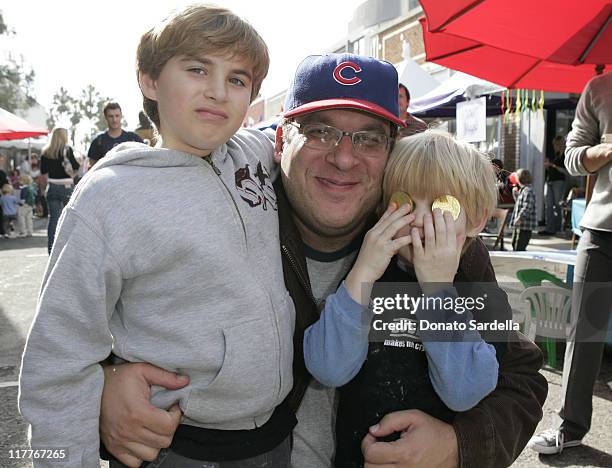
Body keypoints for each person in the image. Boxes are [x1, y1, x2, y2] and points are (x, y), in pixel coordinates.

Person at [99, 53, 548, 468]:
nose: (344, 156)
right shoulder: (229, 219)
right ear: (279, 140)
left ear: (392, 151)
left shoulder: (442, 249)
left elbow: (521, 376)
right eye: (320, 131)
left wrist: (456, 445)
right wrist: (106, 383)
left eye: (368, 138)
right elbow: (89, 327)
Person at [19, 6, 297, 468]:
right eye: (196, 69)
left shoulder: (253, 152)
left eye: (237, 79)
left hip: (273, 438)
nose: (216, 91)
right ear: (150, 80)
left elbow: (308, 144)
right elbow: (59, 356)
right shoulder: (110, 198)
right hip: (175, 445)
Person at [303, 131, 511, 466]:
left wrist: (438, 292)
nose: (417, 220)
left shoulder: (480, 293)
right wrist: (361, 276)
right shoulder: (368, 275)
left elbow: (464, 393)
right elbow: (328, 369)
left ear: (476, 220)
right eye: (405, 202)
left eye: (443, 206)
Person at [528, 72, 612, 455]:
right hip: (602, 228)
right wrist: (607, 150)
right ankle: (571, 425)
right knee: (585, 329)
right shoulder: (599, 88)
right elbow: (573, 158)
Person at [39, 127, 80, 253]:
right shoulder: (67, 150)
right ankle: (67, 250)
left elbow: (43, 171)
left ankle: (51, 250)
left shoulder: (46, 152)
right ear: (64, 136)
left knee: (53, 218)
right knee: (69, 219)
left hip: (51, 187)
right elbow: (76, 166)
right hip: (66, 187)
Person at [87, 102, 143, 166]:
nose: (114, 120)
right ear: (105, 117)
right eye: (111, 116)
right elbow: (92, 168)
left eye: (117, 116)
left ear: (121, 115)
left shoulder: (133, 139)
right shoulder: (98, 142)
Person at [541, 135, 567, 235]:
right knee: (548, 205)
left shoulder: (565, 155)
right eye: (554, 144)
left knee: (557, 205)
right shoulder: (555, 155)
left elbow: (565, 171)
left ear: (562, 144)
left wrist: (553, 165)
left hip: (559, 181)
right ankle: (549, 228)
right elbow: (551, 168)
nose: (555, 146)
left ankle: (558, 228)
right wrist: (548, 166)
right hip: (549, 180)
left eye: (557, 144)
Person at [511, 168, 536, 251]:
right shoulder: (523, 190)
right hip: (520, 226)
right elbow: (519, 202)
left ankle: (519, 263)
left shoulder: (528, 191)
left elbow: (527, 207)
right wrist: (515, 194)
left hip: (524, 226)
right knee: (514, 244)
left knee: (519, 246)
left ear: (519, 178)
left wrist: (520, 218)